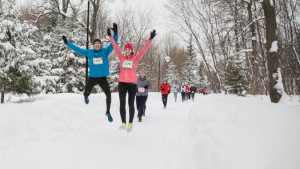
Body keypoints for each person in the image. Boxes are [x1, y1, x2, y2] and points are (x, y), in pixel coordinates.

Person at [62, 23, 118, 123]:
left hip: (102, 78)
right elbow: (78, 49)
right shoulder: (89, 52)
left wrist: (115, 34)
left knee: (109, 95)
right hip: (92, 77)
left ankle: (108, 112)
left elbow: (114, 44)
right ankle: (86, 96)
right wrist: (67, 43)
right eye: (95, 43)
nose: (97, 44)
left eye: (99, 43)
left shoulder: (105, 51)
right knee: (86, 93)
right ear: (93, 45)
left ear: (100, 45)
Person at [108, 28, 156, 132]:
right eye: (126, 49)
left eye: (129, 49)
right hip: (122, 84)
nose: (127, 51)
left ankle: (130, 124)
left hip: (132, 84)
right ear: (124, 50)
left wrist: (150, 39)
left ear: (131, 50)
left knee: (130, 104)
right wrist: (111, 37)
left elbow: (144, 50)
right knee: (122, 104)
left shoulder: (135, 58)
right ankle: (123, 123)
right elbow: (115, 47)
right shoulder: (121, 58)